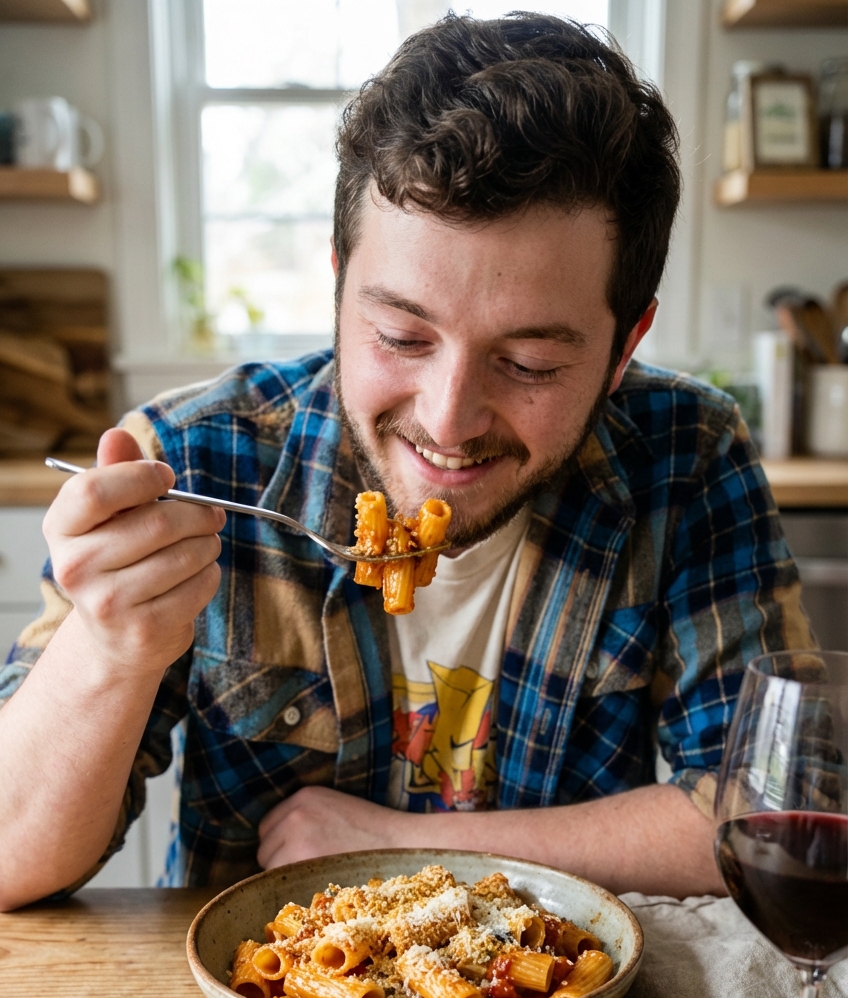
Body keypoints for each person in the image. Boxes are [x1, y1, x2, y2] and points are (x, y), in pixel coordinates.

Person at [0, 13, 811, 911]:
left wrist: (403, 843)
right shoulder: (195, 460)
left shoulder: (688, 457)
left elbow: (766, 812)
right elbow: (8, 860)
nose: (449, 421)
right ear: (340, 282)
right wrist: (107, 650)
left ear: (626, 346)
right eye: (400, 336)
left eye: (530, 364)